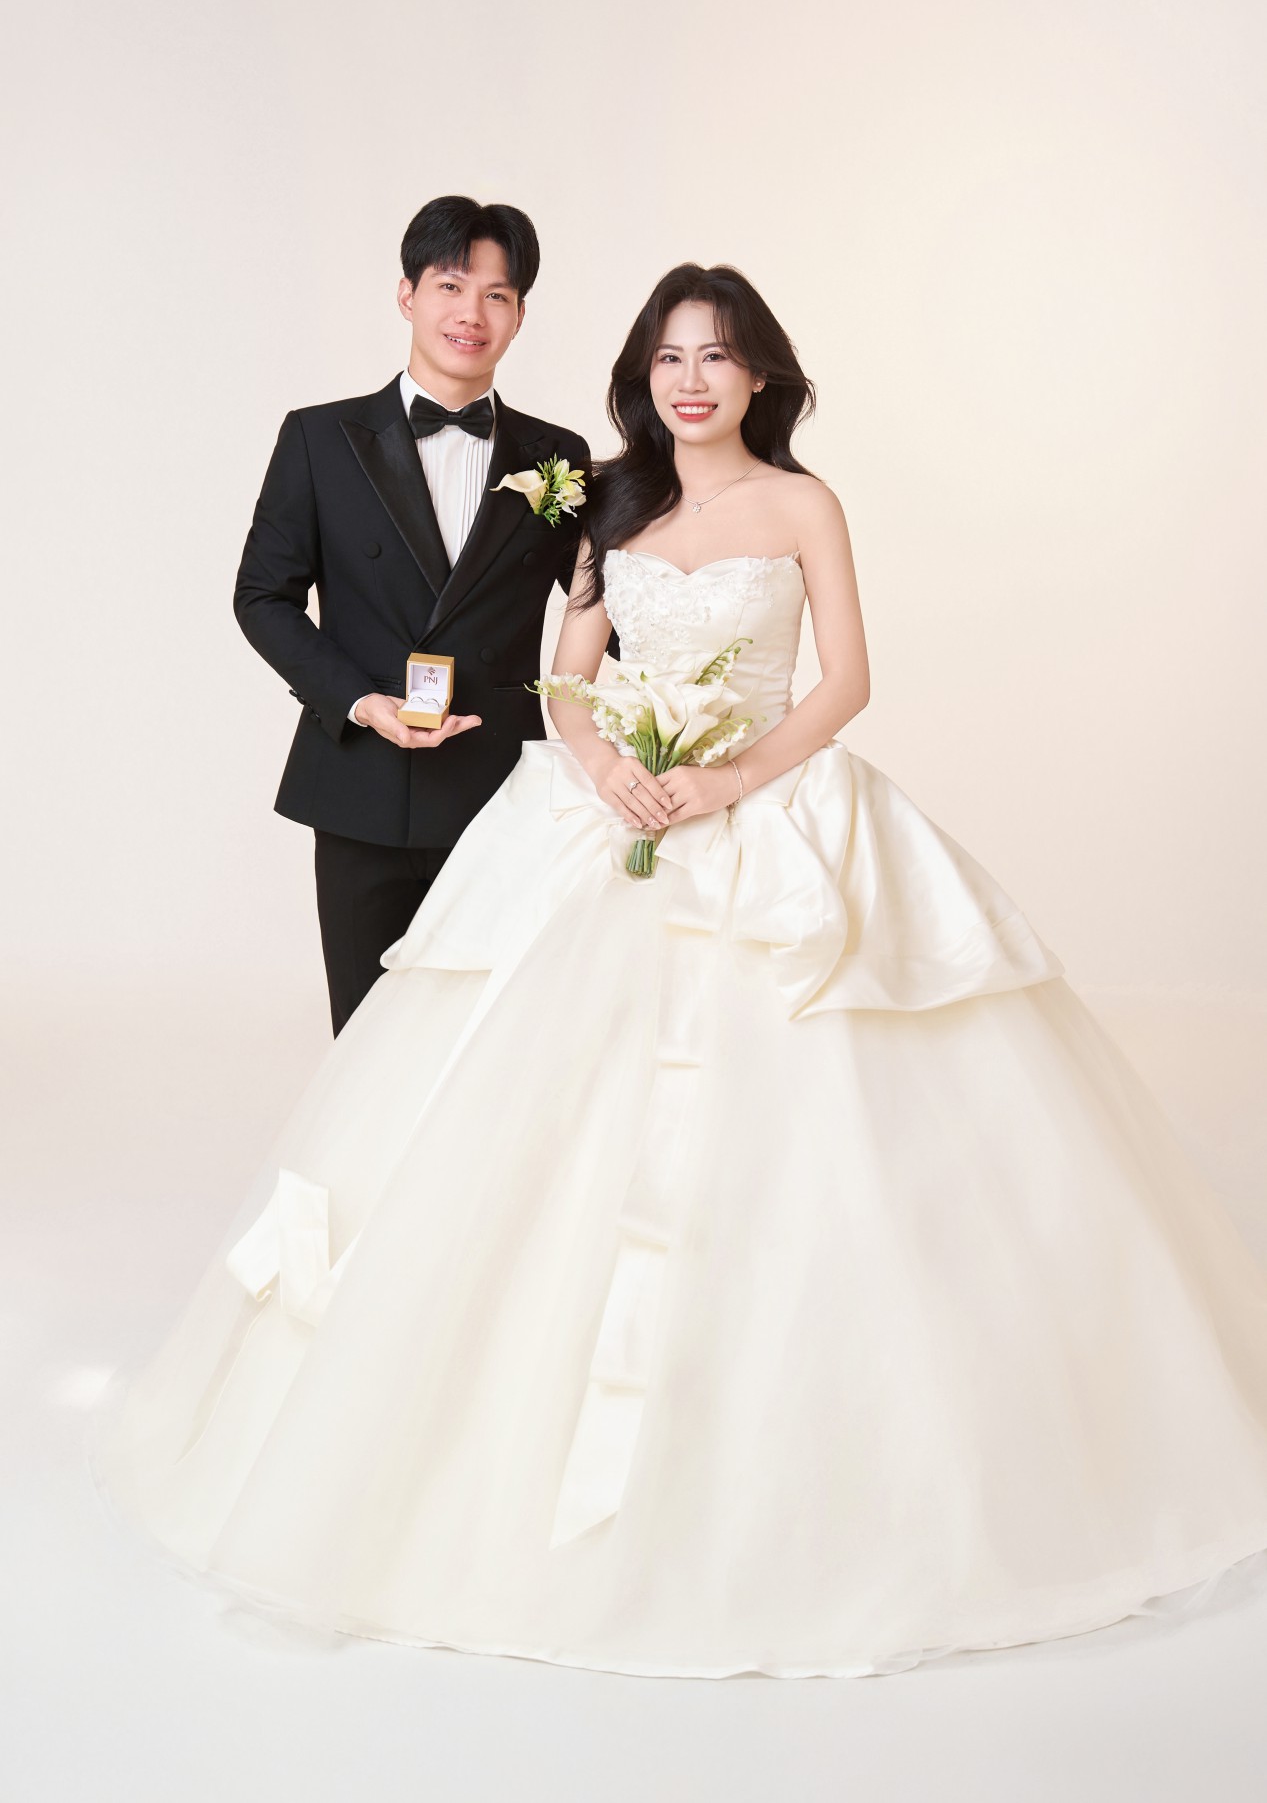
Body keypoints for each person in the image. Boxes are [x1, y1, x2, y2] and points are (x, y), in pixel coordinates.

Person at [96, 264, 1267, 1680]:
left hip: (763, 807)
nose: (690, 381)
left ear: (760, 374)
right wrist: (606, 772)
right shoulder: (606, 503)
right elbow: (567, 674)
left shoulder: (802, 503)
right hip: (619, 816)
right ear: (641, 377)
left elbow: (845, 680)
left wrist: (727, 780)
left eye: (715, 357)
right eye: (667, 358)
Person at [234, 195, 590, 1034]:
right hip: (359, 782)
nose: (471, 314)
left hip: (501, 792)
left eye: (496, 295)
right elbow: (262, 597)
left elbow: (601, 609)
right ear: (407, 294)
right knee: (364, 1037)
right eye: (450, 286)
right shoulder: (319, 438)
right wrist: (360, 701)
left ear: (520, 316)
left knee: (490, 1041)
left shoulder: (558, 456)